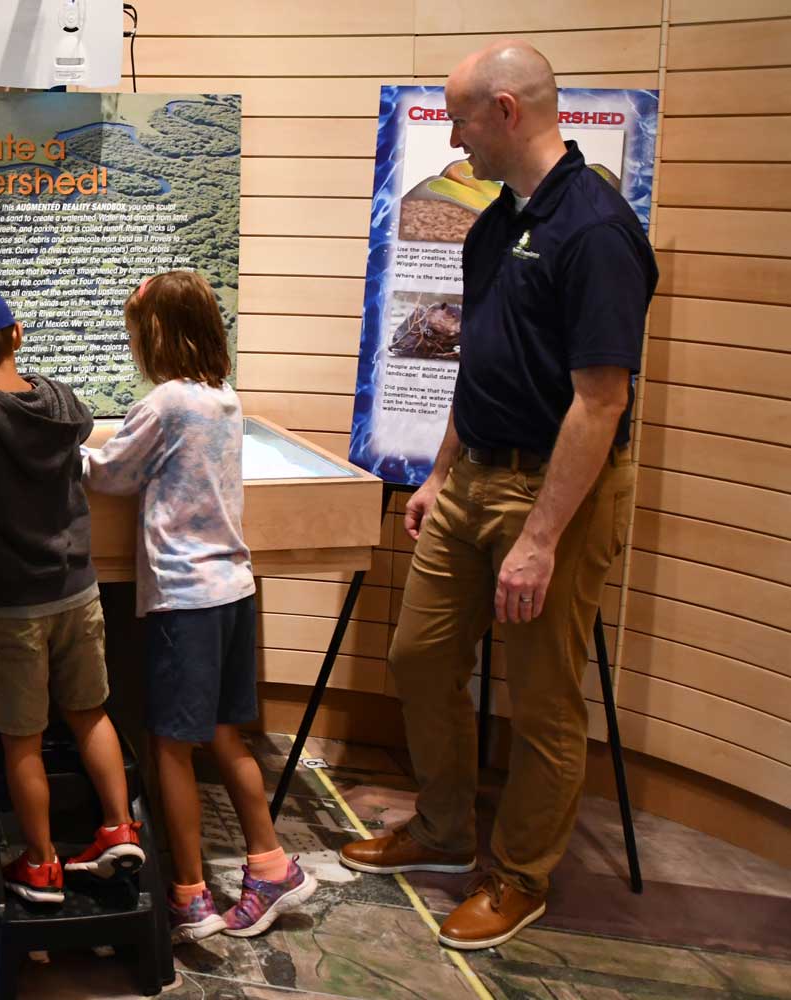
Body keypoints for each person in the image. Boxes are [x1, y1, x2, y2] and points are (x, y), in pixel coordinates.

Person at [338, 40, 656, 951]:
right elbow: (478, 358)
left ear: (507, 113)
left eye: (462, 117)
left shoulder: (594, 231)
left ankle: (519, 876)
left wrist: (543, 537)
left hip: (553, 491)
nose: (454, 134)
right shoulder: (493, 221)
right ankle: (441, 829)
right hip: (472, 472)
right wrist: (440, 471)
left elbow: (602, 401)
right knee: (420, 656)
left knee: (544, 698)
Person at [85, 271, 317, 943]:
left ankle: (189, 891)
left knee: (169, 744)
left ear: (154, 334)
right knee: (223, 734)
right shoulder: (223, 399)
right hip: (232, 591)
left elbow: (110, 475)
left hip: (183, 599)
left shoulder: (164, 403)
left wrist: (51, 450)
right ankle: (270, 863)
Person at [0, 280, 144, 904]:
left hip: (13, 607)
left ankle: (40, 863)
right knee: (91, 712)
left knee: (22, 738)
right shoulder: (62, 400)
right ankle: (119, 827)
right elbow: (81, 426)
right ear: (17, 334)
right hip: (78, 591)